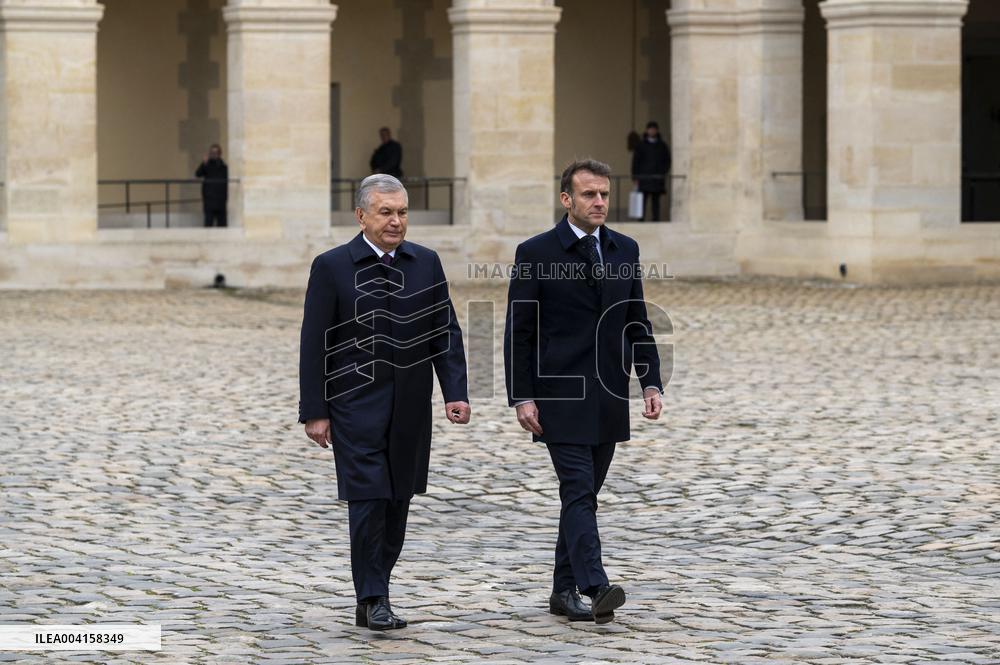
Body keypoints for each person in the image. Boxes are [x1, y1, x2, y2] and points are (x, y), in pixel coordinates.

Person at [298, 174, 470, 631]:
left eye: (402, 213)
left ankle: (375, 590)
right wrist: (314, 410)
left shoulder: (426, 263)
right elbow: (313, 342)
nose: (396, 221)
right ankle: (374, 597)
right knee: (368, 501)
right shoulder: (332, 266)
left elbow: (444, 331)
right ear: (361, 216)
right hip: (354, 407)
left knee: (397, 504)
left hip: (412, 408)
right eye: (386, 212)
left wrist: (455, 391)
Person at [503, 159, 664, 624]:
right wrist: (522, 395)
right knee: (577, 490)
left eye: (604, 195)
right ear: (566, 199)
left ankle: (561, 593)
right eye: (589, 195)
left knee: (584, 496)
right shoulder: (535, 252)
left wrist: (649, 379)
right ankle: (594, 585)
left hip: (609, 395)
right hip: (559, 395)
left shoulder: (624, 249)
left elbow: (637, 320)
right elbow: (520, 331)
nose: (599, 203)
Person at [630, 121, 671, 221]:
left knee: (656, 201)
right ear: (647, 130)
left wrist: (662, 173)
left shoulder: (662, 146)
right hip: (643, 178)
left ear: (657, 130)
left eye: (654, 129)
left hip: (657, 179)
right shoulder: (640, 145)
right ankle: (641, 220)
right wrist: (635, 177)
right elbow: (635, 162)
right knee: (642, 200)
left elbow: (667, 161)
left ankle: (656, 220)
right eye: (650, 129)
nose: (652, 131)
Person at [195, 143, 228, 227]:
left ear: (220, 154)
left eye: (216, 153)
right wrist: (203, 163)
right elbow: (198, 174)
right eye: (212, 153)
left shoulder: (224, 167)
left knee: (222, 224)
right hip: (209, 200)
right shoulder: (207, 165)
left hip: (221, 200)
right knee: (208, 223)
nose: (214, 155)